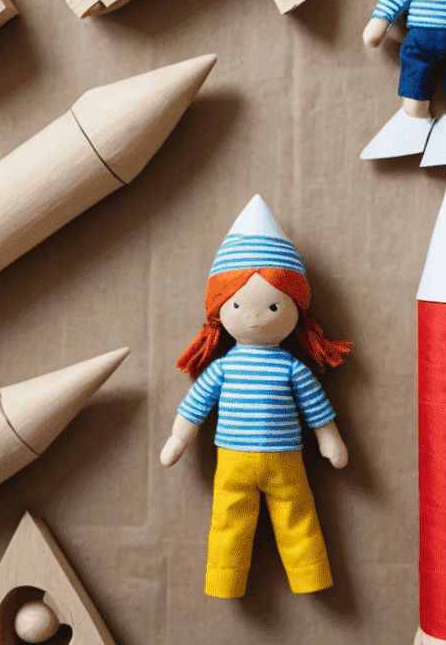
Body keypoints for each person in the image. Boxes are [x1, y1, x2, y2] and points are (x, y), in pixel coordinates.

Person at [161, 196, 351, 599]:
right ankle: (224, 581)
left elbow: (315, 406)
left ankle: (310, 575)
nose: (256, 316)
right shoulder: (223, 367)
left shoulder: (291, 367)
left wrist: (329, 438)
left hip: (284, 457)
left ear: (294, 309)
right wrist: (178, 438)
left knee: (298, 517)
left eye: (273, 305)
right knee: (229, 520)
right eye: (238, 304)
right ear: (221, 310)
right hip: (233, 459)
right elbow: (196, 404)